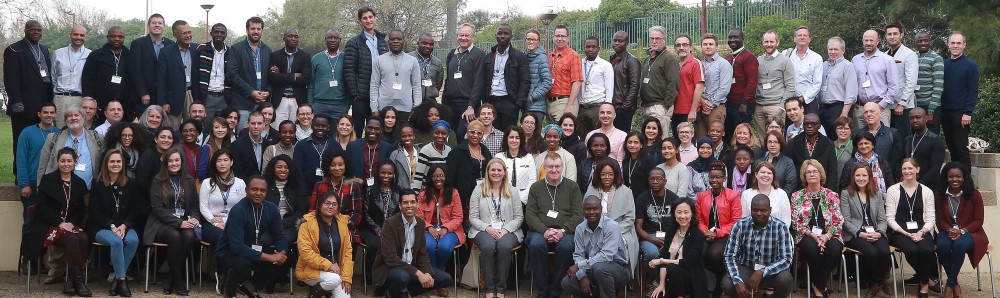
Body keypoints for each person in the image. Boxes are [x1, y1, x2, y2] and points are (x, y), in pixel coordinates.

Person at [22, 148, 91, 296]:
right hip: (48, 226)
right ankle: (78, 282)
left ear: (74, 163)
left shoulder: (79, 183)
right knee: (73, 239)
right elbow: (41, 208)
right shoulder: (48, 180)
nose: (66, 164)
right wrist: (60, 223)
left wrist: (71, 223)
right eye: (63, 161)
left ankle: (72, 281)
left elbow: (80, 210)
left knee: (84, 237)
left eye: (69, 161)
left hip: (70, 225)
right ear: (57, 162)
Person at [214, 175, 289, 298]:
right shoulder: (238, 210)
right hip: (228, 254)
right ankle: (229, 289)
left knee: (287, 258)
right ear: (246, 190)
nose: (258, 193)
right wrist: (270, 257)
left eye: (262, 190)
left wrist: (282, 253)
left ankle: (249, 286)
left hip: (252, 249)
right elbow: (237, 247)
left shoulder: (272, 209)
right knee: (244, 263)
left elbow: (280, 236)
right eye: (254, 189)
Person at [373, 189, 453, 297]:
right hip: (391, 268)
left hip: (412, 266)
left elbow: (422, 254)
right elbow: (390, 258)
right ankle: (390, 291)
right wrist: (418, 273)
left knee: (445, 279)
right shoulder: (390, 224)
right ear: (400, 206)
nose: (409, 205)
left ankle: (406, 292)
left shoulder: (420, 223)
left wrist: (427, 273)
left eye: (412, 202)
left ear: (417, 204)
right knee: (403, 277)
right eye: (405, 202)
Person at [143, 147, 201, 295]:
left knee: (189, 235)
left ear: (182, 161)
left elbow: (194, 205)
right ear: (165, 163)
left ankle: (171, 278)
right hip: (160, 222)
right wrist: (178, 223)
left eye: (177, 160)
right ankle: (178, 282)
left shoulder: (188, 180)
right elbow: (157, 209)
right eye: (171, 161)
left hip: (184, 220)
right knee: (175, 236)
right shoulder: (158, 180)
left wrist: (194, 218)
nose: (174, 163)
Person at [525, 153, 583, 298]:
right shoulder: (536, 187)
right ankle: (543, 290)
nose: (554, 170)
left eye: (557, 166)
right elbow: (530, 214)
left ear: (562, 167)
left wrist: (562, 231)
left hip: (565, 231)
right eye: (550, 166)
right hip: (539, 231)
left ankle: (555, 289)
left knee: (567, 247)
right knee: (536, 245)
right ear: (544, 168)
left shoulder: (572, 187)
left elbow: (578, 215)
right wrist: (544, 231)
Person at [721, 194, 794, 298]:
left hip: (771, 269)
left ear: (770, 210)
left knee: (786, 280)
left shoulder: (781, 227)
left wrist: (762, 271)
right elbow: (729, 256)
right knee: (727, 284)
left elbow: (787, 259)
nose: (759, 213)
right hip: (746, 267)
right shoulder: (740, 225)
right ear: (750, 209)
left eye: (763, 210)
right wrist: (737, 280)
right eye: (755, 210)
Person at [469, 158, 523, 297]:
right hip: (483, 229)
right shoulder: (478, 189)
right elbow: (473, 217)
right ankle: (489, 288)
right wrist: (487, 228)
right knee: (487, 247)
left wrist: (505, 230)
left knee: (504, 247)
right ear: (487, 171)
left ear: (505, 172)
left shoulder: (513, 191)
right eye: (493, 170)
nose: (496, 173)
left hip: (508, 229)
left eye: (500, 170)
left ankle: (501, 288)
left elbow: (519, 217)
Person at [6, 20, 54, 175]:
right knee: (22, 142)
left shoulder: (44, 49)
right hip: (23, 106)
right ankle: (20, 175)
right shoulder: (14, 49)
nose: (36, 32)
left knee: (41, 142)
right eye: (32, 29)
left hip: (42, 105)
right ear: (25, 30)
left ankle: (39, 173)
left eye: (39, 30)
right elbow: (11, 79)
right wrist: (17, 103)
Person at [791, 160, 844, 297]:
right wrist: (812, 235)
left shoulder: (831, 195)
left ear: (821, 174)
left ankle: (817, 284)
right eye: (808, 172)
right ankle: (821, 287)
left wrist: (826, 236)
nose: (812, 174)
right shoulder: (797, 196)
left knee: (834, 249)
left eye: (815, 171)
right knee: (812, 250)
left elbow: (838, 220)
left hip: (830, 234)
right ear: (804, 176)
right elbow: (795, 221)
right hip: (806, 235)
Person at [885, 158, 938, 297]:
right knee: (912, 250)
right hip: (899, 232)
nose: (907, 171)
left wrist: (922, 232)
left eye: (910, 168)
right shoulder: (893, 190)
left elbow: (931, 218)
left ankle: (924, 284)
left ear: (917, 169)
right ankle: (928, 282)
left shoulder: (927, 191)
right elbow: (889, 218)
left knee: (926, 250)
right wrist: (906, 233)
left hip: (923, 230)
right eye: (904, 169)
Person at [89, 149, 138, 296]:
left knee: (133, 240)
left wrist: (124, 225)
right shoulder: (97, 184)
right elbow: (94, 212)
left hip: (124, 226)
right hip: (101, 227)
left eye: (118, 161)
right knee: (117, 242)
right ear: (106, 164)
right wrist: (111, 225)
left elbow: (135, 210)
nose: (115, 164)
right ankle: (122, 281)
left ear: (123, 164)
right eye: (112, 161)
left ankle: (116, 279)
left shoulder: (131, 184)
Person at [936, 161, 989, 298]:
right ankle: (954, 283)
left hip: (971, 233)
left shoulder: (974, 194)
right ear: (946, 178)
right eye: (951, 176)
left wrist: (962, 231)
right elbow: (940, 219)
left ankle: (949, 285)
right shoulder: (940, 195)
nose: (954, 179)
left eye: (958, 176)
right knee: (942, 245)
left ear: (964, 177)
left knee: (960, 244)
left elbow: (978, 220)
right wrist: (950, 230)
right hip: (947, 231)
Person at [560, 195, 631, 298]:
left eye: (595, 208)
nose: (592, 212)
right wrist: (582, 275)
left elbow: (606, 256)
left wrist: (579, 266)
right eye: (588, 209)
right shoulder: (580, 228)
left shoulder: (612, 226)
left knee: (600, 268)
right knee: (567, 282)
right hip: (592, 269)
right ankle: (597, 293)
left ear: (601, 209)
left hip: (618, 270)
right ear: (583, 210)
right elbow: (579, 255)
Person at [15, 102, 58, 268]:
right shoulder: (27, 132)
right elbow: (21, 159)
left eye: (51, 112)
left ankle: (40, 258)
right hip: (31, 186)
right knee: (29, 223)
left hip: (50, 187)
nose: (48, 115)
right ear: (39, 114)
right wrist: (24, 184)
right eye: (45, 112)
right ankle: (27, 259)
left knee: (46, 225)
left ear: (55, 114)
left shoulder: (58, 133)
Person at [841, 163, 892, 296]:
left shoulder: (877, 194)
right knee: (871, 253)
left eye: (864, 175)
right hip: (854, 234)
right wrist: (860, 233)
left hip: (875, 231)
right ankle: (879, 281)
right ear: (853, 177)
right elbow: (846, 220)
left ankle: (877, 282)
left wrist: (879, 232)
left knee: (885, 252)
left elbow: (882, 220)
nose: (861, 178)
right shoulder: (846, 193)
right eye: (858, 175)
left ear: (869, 177)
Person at [583, 158, 638, 273]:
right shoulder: (591, 189)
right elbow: (585, 214)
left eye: (610, 174)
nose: (607, 177)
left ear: (616, 174)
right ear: (598, 175)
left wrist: (613, 231)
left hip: (621, 230)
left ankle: (618, 274)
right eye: (603, 174)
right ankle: (592, 273)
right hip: (594, 230)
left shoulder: (626, 191)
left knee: (617, 244)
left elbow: (630, 218)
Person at [295, 191, 353, 298]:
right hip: (312, 270)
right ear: (320, 205)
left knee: (344, 295)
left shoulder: (342, 224)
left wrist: (346, 277)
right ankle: (313, 295)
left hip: (336, 272)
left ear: (338, 207)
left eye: (334, 204)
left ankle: (326, 291)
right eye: (327, 203)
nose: (331, 206)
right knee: (333, 280)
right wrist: (329, 265)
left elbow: (347, 253)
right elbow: (305, 253)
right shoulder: (307, 224)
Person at [648, 199, 708, 298]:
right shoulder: (671, 231)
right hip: (671, 277)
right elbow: (665, 257)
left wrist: (661, 260)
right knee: (656, 295)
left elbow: (687, 262)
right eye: (679, 212)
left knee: (673, 269)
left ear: (692, 213)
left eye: (686, 212)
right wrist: (661, 284)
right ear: (674, 214)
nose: (682, 216)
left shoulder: (697, 235)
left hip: (691, 278)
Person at [695, 160, 742, 288]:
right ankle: (705, 285)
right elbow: (699, 220)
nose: (714, 180)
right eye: (711, 177)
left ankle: (719, 280)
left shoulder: (733, 195)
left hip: (725, 234)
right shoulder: (701, 196)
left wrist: (717, 233)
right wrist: (705, 231)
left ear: (724, 178)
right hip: (705, 233)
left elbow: (736, 222)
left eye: (718, 177)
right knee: (699, 252)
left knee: (714, 254)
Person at [344, 7, 388, 138]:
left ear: (374, 18)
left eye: (370, 17)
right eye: (365, 18)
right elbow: (349, 70)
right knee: (357, 130)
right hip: (361, 96)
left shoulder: (383, 42)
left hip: (380, 95)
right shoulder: (354, 42)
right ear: (360, 21)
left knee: (377, 129)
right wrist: (355, 93)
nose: (368, 20)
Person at [635, 167, 684, 280]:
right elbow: (638, 227)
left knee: (677, 251)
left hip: (670, 235)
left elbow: (680, 224)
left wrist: (670, 239)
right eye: (652, 179)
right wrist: (652, 240)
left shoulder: (674, 198)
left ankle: (667, 283)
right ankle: (656, 282)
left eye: (659, 178)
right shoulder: (642, 199)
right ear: (648, 181)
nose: (655, 181)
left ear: (665, 181)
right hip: (648, 236)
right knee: (652, 253)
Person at [38, 105, 102, 189]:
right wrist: (39, 187)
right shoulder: (53, 138)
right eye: (69, 116)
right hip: (58, 192)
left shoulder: (98, 138)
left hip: (88, 192)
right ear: (65, 120)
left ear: (83, 117)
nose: (73, 118)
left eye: (76, 115)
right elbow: (42, 166)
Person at [226, 17, 272, 131]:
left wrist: (268, 91)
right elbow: (232, 74)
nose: (256, 31)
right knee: (242, 135)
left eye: (258, 29)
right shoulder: (236, 49)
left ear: (262, 31)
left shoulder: (268, 50)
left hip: (262, 104)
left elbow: (272, 75)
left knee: (260, 137)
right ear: (247, 30)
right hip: (243, 103)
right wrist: (251, 92)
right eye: (253, 28)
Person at [442, 23, 486, 139]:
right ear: (457, 36)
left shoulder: (479, 54)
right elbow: (448, 79)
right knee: (450, 135)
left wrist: (471, 105)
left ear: (473, 37)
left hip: (467, 104)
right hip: (450, 103)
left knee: (463, 134)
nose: (464, 38)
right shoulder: (452, 54)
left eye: (467, 35)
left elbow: (479, 81)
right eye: (461, 35)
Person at [941, 32, 979, 165]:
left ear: (964, 45)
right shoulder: (943, 64)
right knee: (952, 149)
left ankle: (967, 184)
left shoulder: (970, 65)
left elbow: (973, 90)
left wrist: (967, 112)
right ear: (948, 45)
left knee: (961, 149)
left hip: (961, 113)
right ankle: (956, 182)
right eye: (953, 43)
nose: (955, 46)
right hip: (944, 112)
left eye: (958, 43)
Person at [483, 24, 530, 132]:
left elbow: (525, 81)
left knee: (508, 135)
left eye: (506, 33)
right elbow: (484, 79)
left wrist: (518, 104)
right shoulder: (489, 57)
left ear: (511, 36)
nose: (502, 36)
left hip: (510, 102)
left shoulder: (519, 57)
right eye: (500, 33)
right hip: (492, 101)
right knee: (492, 134)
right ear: (496, 36)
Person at [311, 150, 363, 245]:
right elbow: (312, 211)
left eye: (340, 164)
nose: (337, 168)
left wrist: (345, 226)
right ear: (328, 166)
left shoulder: (353, 186)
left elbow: (357, 213)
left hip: (347, 228)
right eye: (333, 165)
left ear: (345, 165)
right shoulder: (319, 186)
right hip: (322, 228)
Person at [362, 161, 402, 284]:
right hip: (371, 229)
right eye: (383, 172)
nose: (386, 176)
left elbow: (400, 215)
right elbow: (365, 214)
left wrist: (389, 230)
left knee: (397, 244)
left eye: (390, 173)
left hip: (392, 230)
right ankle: (371, 277)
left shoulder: (398, 191)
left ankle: (390, 278)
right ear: (377, 173)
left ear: (394, 174)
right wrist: (378, 230)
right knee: (375, 245)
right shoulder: (370, 190)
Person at [129, 14, 174, 119]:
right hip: (145, 96)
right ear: (148, 26)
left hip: (165, 96)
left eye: (160, 23)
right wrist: (143, 92)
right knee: (146, 126)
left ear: (164, 26)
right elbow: (134, 70)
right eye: (154, 23)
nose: (157, 25)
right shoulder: (138, 44)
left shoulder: (171, 44)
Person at [852, 30, 899, 129]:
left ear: (878, 41)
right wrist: (853, 101)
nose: (868, 43)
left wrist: (881, 106)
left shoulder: (887, 60)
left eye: (871, 40)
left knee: (882, 140)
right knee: (861, 141)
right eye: (866, 40)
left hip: (880, 107)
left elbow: (894, 87)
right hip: (860, 109)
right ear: (862, 41)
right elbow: (851, 83)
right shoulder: (855, 60)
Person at [370, 29, 421, 122]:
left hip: (406, 108)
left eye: (399, 39)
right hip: (384, 107)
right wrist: (374, 109)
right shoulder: (379, 60)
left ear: (403, 41)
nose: (396, 41)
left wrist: (416, 109)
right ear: (388, 42)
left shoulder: (412, 61)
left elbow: (416, 86)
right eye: (393, 39)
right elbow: (374, 85)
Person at [199, 149, 247, 246]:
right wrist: (214, 221)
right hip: (211, 222)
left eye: (225, 160)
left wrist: (228, 221)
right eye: (219, 160)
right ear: (214, 163)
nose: (222, 163)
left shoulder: (240, 183)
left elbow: (243, 207)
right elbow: (203, 207)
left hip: (233, 221)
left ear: (231, 162)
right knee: (222, 236)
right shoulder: (207, 182)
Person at [640, 26, 680, 137]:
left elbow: (673, 83)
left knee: (662, 141)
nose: (654, 41)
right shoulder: (648, 59)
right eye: (651, 38)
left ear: (664, 40)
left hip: (660, 106)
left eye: (657, 38)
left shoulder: (669, 59)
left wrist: (666, 105)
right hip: (647, 106)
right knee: (647, 142)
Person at [82, 26, 130, 120]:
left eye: (120, 37)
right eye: (113, 36)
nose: (117, 39)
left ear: (124, 38)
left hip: (124, 106)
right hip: (100, 105)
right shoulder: (96, 55)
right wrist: (92, 104)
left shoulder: (130, 55)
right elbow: (87, 80)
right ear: (107, 37)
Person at [754, 30, 795, 138]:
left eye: (771, 42)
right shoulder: (758, 60)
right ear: (762, 43)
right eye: (766, 41)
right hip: (759, 106)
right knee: (763, 140)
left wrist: (781, 107)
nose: (769, 44)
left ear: (777, 42)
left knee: (776, 139)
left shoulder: (785, 61)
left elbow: (790, 85)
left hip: (776, 106)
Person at [155, 20, 194, 128]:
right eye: (184, 33)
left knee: (192, 128)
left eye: (189, 32)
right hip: (173, 98)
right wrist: (163, 101)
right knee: (171, 129)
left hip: (192, 95)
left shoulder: (197, 49)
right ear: (175, 35)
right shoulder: (166, 52)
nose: (188, 35)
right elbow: (161, 79)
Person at [51, 25, 91, 128]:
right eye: (76, 34)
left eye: (82, 35)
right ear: (70, 35)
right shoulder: (58, 53)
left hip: (80, 98)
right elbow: (53, 77)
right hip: (61, 98)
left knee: (79, 130)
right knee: (60, 131)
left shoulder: (90, 55)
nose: (78, 37)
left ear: (86, 37)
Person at [818, 36, 858, 138]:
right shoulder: (823, 65)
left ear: (843, 50)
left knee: (836, 137)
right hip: (823, 108)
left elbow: (851, 92)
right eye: (830, 49)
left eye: (836, 49)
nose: (832, 52)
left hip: (838, 108)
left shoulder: (847, 66)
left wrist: (844, 113)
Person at [269, 28, 311, 127]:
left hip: (297, 99)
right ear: (284, 38)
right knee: (277, 129)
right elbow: (272, 78)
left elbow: (306, 79)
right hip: (280, 99)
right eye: (290, 36)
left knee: (296, 131)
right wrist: (294, 75)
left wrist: (281, 74)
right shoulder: (275, 55)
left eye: (296, 37)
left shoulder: (305, 56)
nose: (293, 39)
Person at [724, 28, 759, 145]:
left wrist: (745, 102)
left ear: (742, 39)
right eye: (730, 37)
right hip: (729, 103)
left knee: (741, 136)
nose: (732, 40)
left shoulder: (748, 57)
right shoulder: (728, 58)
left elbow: (752, 81)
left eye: (735, 37)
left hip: (742, 105)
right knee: (729, 136)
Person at [786, 113, 838, 190]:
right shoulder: (793, 143)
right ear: (803, 125)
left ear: (820, 126)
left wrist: (829, 192)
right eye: (806, 124)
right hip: (799, 191)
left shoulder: (828, 144)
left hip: (823, 190)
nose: (809, 126)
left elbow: (832, 171)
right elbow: (789, 171)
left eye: (813, 124)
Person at [293, 115, 343, 194]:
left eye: (323, 126)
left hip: (330, 191)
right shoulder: (301, 145)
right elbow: (297, 170)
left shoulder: (335, 145)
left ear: (329, 127)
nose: (320, 128)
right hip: (306, 191)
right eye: (317, 125)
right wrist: (303, 192)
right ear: (312, 126)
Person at [885, 23, 919, 137]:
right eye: (889, 34)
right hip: (887, 105)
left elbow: (911, 82)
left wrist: (902, 103)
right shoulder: (884, 55)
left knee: (903, 139)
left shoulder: (909, 54)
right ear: (885, 36)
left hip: (903, 107)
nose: (892, 36)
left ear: (901, 35)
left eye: (895, 34)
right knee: (890, 138)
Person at [576, 36, 614, 135]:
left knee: (599, 138)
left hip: (597, 107)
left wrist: (606, 109)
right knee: (584, 139)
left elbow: (609, 88)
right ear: (584, 48)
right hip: (582, 107)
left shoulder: (605, 65)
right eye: (588, 47)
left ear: (598, 49)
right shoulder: (579, 63)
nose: (591, 49)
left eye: (594, 47)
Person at [782, 26, 823, 114]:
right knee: (789, 127)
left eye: (805, 35)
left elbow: (817, 83)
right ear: (794, 39)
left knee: (810, 127)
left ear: (809, 39)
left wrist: (803, 98)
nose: (802, 37)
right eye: (799, 35)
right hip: (789, 101)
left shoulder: (817, 58)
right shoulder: (785, 54)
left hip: (809, 101)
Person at [309, 29, 349, 119]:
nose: (333, 40)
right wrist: (311, 105)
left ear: (340, 40)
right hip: (319, 105)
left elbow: (349, 83)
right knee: (318, 132)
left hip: (340, 106)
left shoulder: (346, 58)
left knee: (337, 133)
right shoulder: (316, 58)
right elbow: (311, 84)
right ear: (325, 39)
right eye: (330, 38)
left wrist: (346, 105)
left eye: (336, 38)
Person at [546, 25, 583, 122]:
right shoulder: (550, 56)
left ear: (568, 38)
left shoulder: (573, 56)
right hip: (550, 102)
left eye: (563, 36)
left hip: (565, 101)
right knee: (552, 135)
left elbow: (577, 82)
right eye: (557, 36)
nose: (560, 39)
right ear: (553, 37)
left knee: (563, 134)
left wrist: (569, 105)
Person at [856, 102, 904, 178]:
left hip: (886, 181)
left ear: (880, 113)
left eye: (872, 111)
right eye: (866, 112)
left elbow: (897, 161)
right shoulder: (858, 134)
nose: (869, 114)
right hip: (863, 180)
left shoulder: (892, 134)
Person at [192, 23, 230, 119]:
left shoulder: (230, 52)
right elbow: (195, 75)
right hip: (206, 95)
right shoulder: (202, 49)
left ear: (226, 35)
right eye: (216, 32)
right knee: (206, 126)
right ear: (211, 33)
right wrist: (197, 98)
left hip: (224, 96)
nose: (219, 35)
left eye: (222, 33)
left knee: (222, 127)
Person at [347, 117, 396, 190]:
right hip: (357, 188)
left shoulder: (389, 148)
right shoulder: (353, 146)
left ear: (381, 130)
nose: (372, 131)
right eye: (370, 128)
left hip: (380, 189)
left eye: (376, 129)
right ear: (365, 128)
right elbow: (348, 170)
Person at [905, 107, 946, 189]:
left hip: (929, 187)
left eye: (918, 117)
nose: (915, 120)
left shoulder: (936, 141)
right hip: (909, 184)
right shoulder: (908, 140)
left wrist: (919, 185)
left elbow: (935, 168)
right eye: (911, 118)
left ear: (926, 119)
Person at [673, 34, 704, 136]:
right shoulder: (675, 65)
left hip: (689, 112)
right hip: (675, 111)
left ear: (690, 47)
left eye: (685, 44)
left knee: (688, 142)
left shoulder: (695, 63)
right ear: (675, 48)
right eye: (678, 45)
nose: (681, 47)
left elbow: (699, 88)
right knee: (677, 144)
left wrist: (693, 111)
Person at [497, 126, 537, 204]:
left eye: (517, 138)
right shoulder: (499, 157)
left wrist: (522, 198)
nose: (514, 140)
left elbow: (532, 180)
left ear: (521, 140)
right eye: (511, 137)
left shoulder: (529, 157)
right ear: (506, 139)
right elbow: (496, 179)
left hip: (525, 200)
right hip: (503, 199)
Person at [609, 31, 640, 132]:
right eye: (615, 40)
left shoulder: (632, 61)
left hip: (623, 107)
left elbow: (635, 85)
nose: (617, 43)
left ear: (627, 42)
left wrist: (625, 107)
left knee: (622, 136)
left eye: (620, 41)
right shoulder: (613, 59)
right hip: (613, 105)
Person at [914, 31, 944, 134]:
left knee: (931, 137)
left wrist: (931, 111)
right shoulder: (913, 57)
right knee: (917, 138)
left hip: (930, 106)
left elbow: (938, 86)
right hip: (915, 105)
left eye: (926, 40)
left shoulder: (936, 59)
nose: (923, 43)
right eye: (920, 41)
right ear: (916, 42)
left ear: (930, 42)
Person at [231, 112, 275, 180]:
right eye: (253, 123)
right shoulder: (237, 145)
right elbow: (237, 172)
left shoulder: (268, 145)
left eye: (259, 123)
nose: (256, 126)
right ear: (248, 124)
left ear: (264, 124)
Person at [524, 29, 553, 124]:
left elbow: (547, 82)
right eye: (528, 39)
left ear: (538, 42)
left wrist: (532, 97)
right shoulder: (526, 57)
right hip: (527, 105)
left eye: (534, 39)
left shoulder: (542, 58)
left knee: (535, 136)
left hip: (537, 106)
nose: (531, 41)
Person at [414, 120, 454, 190]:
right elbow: (418, 176)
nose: (440, 136)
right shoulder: (426, 150)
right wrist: (416, 194)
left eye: (443, 133)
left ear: (448, 135)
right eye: (437, 133)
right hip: (428, 190)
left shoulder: (448, 150)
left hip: (443, 191)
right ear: (432, 133)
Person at [411, 33, 444, 112]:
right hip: (412, 102)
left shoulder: (437, 62)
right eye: (424, 43)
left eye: (431, 44)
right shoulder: (409, 59)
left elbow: (438, 83)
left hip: (431, 103)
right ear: (418, 43)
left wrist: (431, 92)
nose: (428, 46)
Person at [389, 123, 419, 189]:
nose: (407, 138)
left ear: (414, 136)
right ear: (400, 138)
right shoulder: (395, 155)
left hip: (420, 191)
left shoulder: (421, 152)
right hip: (403, 192)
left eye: (410, 135)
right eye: (404, 136)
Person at [832, 116, 855, 187]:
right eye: (839, 128)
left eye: (846, 128)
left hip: (847, 186)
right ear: (835, 130)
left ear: (851, 130)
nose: (843, 131)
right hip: (831, 185)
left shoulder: (854, 147)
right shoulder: (830, 145)